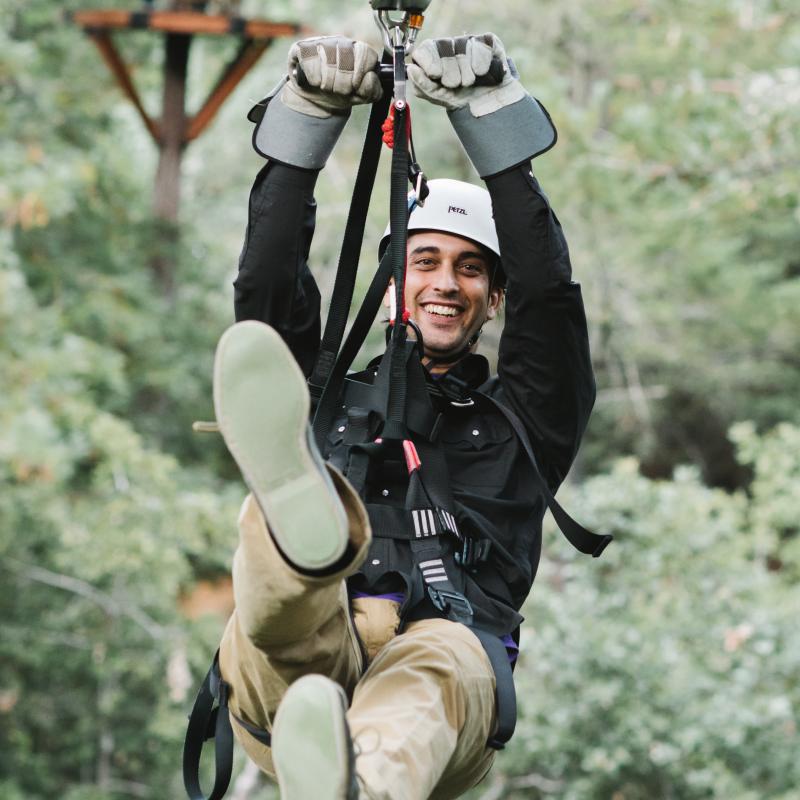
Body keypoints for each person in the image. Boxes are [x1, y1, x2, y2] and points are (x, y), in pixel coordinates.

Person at [211, 32, 596, 800]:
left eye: (470, 269)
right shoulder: (322, 397)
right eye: (424, 261)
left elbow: (551, 298)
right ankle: (302, 530)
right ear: (391, 283)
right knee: (286, 598)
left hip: (442, 672)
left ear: (493, 300)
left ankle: (356, 788)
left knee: (434, 668)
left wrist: (495, 121)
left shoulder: (524, 422)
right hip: (299, 663)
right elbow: (265, 283)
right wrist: (304, 122)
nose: (446, 283)